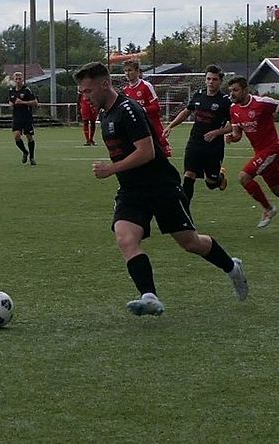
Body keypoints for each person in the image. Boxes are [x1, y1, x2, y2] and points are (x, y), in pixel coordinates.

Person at [74, 61, 247, 317]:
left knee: (190, 242)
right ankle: (149, 296)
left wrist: (111, 169)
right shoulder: (105, 112)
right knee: (125, 238)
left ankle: (232, 267)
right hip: (132, 190)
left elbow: (147, 152)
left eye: (87, 91)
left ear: (105, 84)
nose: (85, 96)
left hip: (160, 186)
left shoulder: (127, 110)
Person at [225, 76, 279, 232]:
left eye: (236, 90)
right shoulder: (234, 109)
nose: (232, 94)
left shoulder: (262, 103)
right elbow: (238, 134)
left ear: (245, 90)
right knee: (277, 189)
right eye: (230, 90)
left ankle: (268, 209)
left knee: (244, 177)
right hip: (261, 152)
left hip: (272, 149)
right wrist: (232, 137)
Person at [161, 64, 233, 206]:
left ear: (220, 81)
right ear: (205, 80)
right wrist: (171, 125)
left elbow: (234, 125)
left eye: (214, 79)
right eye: (208, 79)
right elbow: (187, 111)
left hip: (214, 147)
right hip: (195, 142)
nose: (211, 82)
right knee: (189, 175)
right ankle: (185, 211)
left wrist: (217, 132)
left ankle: (219, 176)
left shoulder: (225, 101)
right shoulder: (199, 95)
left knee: (211, 183)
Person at [122, 59, 172, 157]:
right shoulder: (125, 90)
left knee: (163, 154)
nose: (127, 73)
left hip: (153, 126)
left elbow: (156, 107)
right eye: (125, 71)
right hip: (139, 129)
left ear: (137, 71)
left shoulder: (146, 86)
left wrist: (141, 110)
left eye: (130, 70)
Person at [8, 71, 38, 165]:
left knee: (29, 137)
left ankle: (32, 157)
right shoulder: (11, 91)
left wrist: (23, 102)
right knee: (16, 136)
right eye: (16, 79)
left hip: (26, 117)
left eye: (20, 79)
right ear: (14, 80)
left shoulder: (27, 90)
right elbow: (10, 101)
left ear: (23, 80)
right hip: (17, 117)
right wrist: (10, 104)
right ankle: (25, 152)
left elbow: (35, 103)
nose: (18, 81)